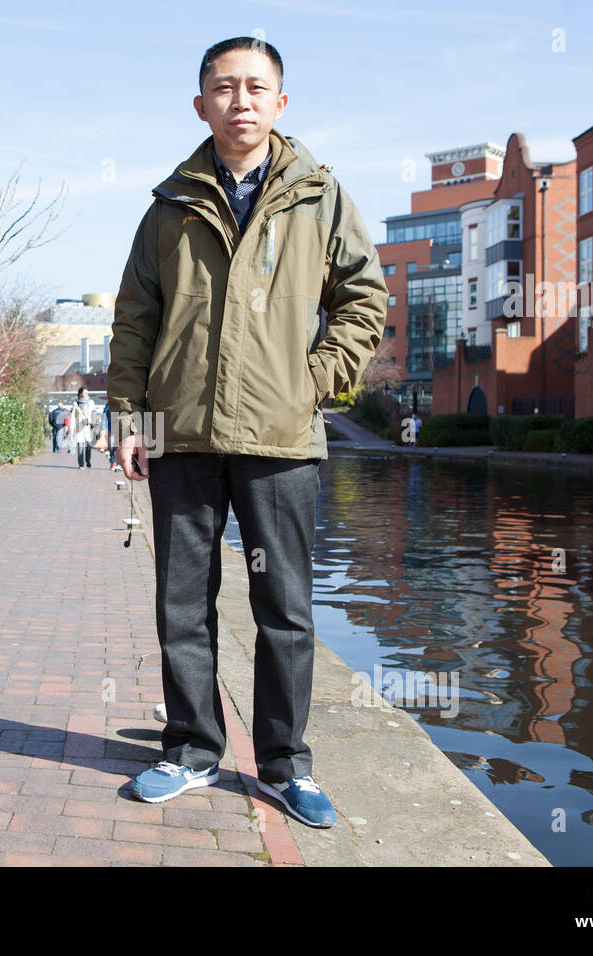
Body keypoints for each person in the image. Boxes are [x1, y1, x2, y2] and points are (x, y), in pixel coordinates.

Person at [105, 37, 387, 828]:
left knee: (286, 609)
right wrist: (130, 416)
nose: (241, 101)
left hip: (281, 437)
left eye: (256, 87)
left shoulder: (320, 197)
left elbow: (365, 298)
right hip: (184, 436)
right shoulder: (169, 206)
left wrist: (317, 377)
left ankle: (285, 767)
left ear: (281, 103)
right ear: (201, 105)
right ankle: (192, 749)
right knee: (181, 604)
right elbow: (134, 322)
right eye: (224, 88)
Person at [68, 387, 98, 469]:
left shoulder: (91, 402)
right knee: (80, 445)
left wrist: (94, 424)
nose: (86, 395)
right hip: (79, 427)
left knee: (88, 446)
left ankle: (88, 460)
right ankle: (81, 464)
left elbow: (94, 413)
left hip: (88, 427)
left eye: (87, 393)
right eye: (84, 393)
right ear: (80, 393)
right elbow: (74, 416)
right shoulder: (76, 403)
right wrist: (72, 427)